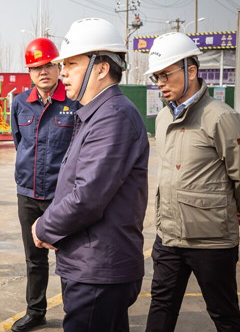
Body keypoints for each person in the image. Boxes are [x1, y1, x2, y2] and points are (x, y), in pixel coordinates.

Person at [32, 18, 149, 332]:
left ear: (101, 68)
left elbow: (87, 197)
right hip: (91, 263)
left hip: (99, 268)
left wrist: (44, 226)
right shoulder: (96, 114)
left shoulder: (113, 117)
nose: (63, 72)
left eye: (72, 64)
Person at [144, 32, 240, 332]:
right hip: (169, 237)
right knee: (161, 308)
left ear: (191, 71)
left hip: (212, 241)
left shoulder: (220, 117)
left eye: (166, 74)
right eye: (156, 77)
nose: (160, 83)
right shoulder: (163, 118)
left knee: (224, 314)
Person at [10, 38, 79, 331]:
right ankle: (35, 311)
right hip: (28, 194)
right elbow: (20, 144)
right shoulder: (20, 104)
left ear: (58, 67)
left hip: (61, 197)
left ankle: (74, 314)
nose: (43, 72)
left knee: (69, 258)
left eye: (48, 65)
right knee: (34, 259)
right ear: (29, 71)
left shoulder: (73, 103)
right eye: (36, 67)